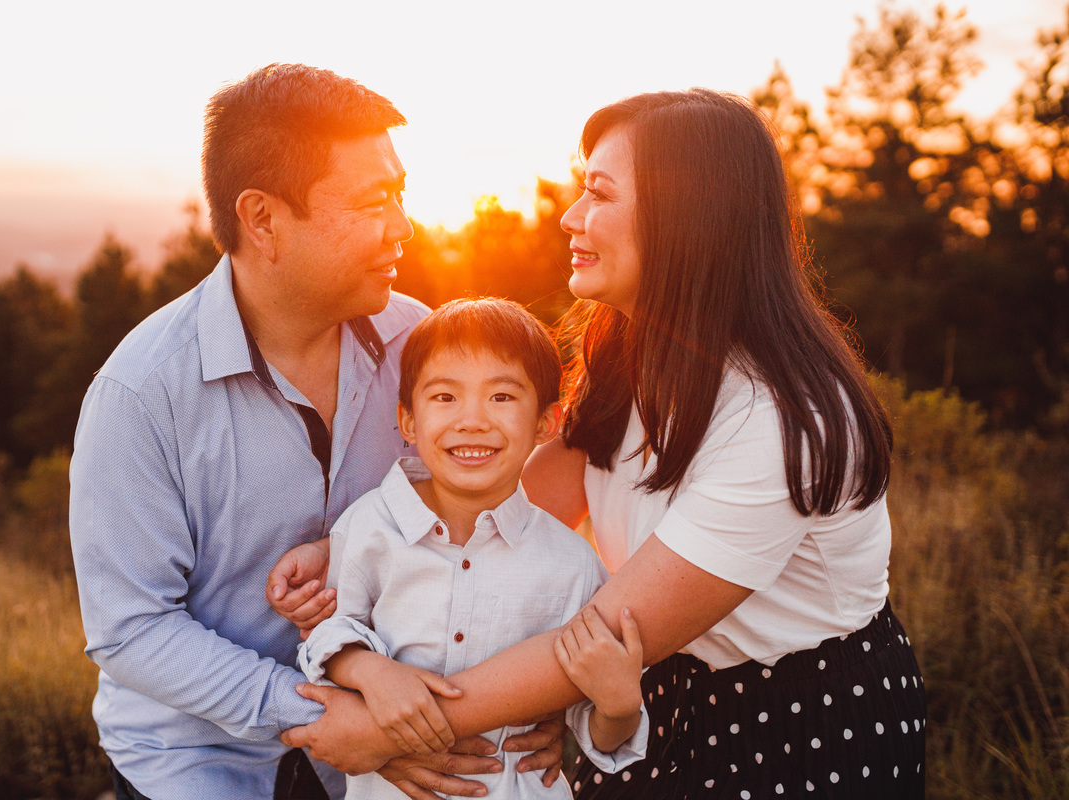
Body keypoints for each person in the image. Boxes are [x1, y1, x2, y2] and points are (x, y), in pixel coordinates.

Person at [271, 89, 927, 800]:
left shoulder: (777, 421)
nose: (569, 217)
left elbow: (605, 632)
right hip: (644, 695)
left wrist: (392, 729)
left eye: (598, 193)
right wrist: (348, 548)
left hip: (793, 729)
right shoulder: (637, 353)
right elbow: (522, 500)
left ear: (686, 220)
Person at [68, 63, 562, 800]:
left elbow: (482, 518)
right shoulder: (140, 393)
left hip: (397, 756)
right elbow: (131, 628)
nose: (404, 225)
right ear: (263, 219)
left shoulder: (423, 348)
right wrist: (326, 716)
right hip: (199, 763)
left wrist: (531, 698)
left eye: (400, 195)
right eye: (373, 202)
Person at [295, 298, 648, 799]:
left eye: (502, 397)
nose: (473, 420)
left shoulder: (573, 566)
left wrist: (617, 708)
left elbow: (593, 731)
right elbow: (326, 636)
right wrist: (369, 670)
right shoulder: (370, 529)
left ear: (548, 422)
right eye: (445, 397)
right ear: (409, 421)